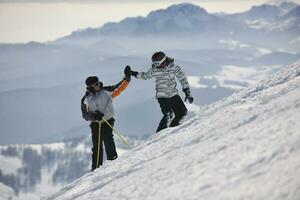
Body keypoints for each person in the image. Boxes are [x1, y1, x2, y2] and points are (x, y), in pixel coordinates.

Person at [128, 51, 194, 133]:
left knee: (183, 113)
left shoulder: (173, 67)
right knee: (168, 114)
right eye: (154, 63)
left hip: (173, 94)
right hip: (162, 96)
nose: (156, 65)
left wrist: (187, 91)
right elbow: (145, 76)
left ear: (163, 60)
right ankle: (159, 134)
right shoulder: (155, 70)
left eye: (157, 63)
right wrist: (132, 73)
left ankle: (172, 130)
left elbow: (182, 78)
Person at [81, 66, 131, 171]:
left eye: (98, 83)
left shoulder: (107, 91)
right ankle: (96, 168)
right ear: (90, 87)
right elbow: (85, 115)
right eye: (95, 84)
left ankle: (113, 160)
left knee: (108, 138)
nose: (98, 85)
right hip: (96, 123)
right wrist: (94, 116)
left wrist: (127, 77)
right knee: (97, 145)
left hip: (108, 120)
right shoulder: (85, 100)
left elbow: (120, 87)